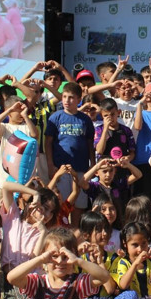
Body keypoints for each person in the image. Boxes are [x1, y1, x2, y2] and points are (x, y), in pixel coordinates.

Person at [0, 180, 59, 299]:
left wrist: (43, 232)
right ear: (33, 204)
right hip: (12, 286)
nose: (46, 214)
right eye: (43, 208)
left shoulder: (45, 234)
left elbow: (34, 256)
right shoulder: (13, 218)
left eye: (51, 211)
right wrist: (35, 193)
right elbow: (6, 187)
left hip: (33, 285)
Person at [45, 82, 95, 223]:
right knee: (62, 205)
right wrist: (50, 165)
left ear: (79, 99)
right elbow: (48, 142)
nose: (67, 100)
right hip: (62, 168)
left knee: (78, 205)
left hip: (80, 168)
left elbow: (90, 143)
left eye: (71, 97)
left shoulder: (85, 119)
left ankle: (75, 235)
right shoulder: (55, 117)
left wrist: (93, 164)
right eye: (65, 96)